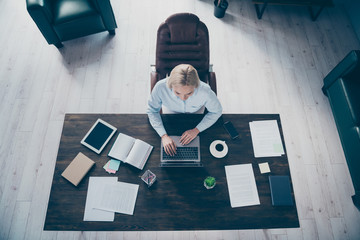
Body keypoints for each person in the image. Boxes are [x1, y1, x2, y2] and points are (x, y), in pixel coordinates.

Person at [147, 64, 222, 156]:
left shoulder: (205, 90)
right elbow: (152, 110)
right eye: (177, 93)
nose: (183, 98)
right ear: (170, 85)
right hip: (170, 113)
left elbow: (216, 111)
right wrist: (163, 135)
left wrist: (197, 130)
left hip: (196, 114)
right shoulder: (160, 87)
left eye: (189, 93)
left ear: (196, 86)